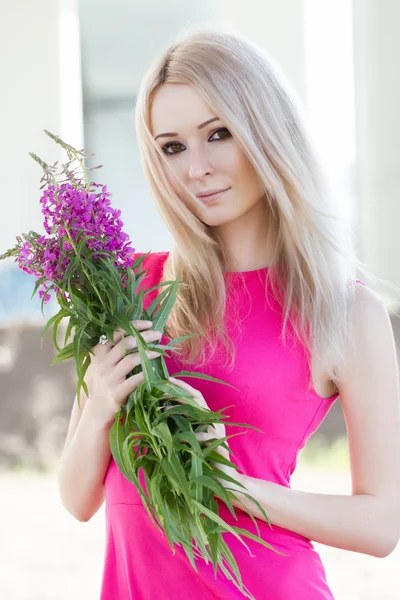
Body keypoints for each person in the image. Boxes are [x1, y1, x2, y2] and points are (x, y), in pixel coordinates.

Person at [58, 28, 400, 599]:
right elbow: (78, 500)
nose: (197, 169)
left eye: (219, 134)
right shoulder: (128, 288)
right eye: (173, 146)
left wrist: (227, 485)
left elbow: (381, 525)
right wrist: (98, 406)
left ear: (266, 130)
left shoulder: (343, 309)